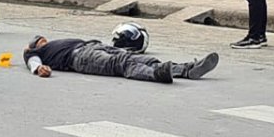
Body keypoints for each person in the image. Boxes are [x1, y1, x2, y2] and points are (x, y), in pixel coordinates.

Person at [24, 35, 219, 83]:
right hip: (80, 57)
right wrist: (39, 69)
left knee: (134, 57)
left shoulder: (51, 44)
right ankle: (156, 75)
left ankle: (187, 69)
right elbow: (34, 63)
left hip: (93, 46)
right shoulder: (34, 53)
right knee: (122, 64)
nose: (44, 40)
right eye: (40, 41)